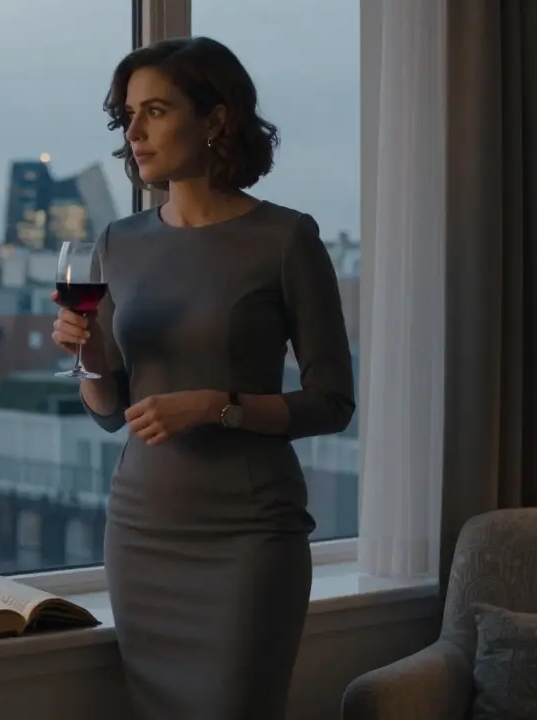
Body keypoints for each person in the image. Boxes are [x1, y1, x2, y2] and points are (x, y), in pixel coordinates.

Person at [50, 36, 355, 719]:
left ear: (215, 120)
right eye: (127, 115)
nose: (134, 132)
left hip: (248, 538)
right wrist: (90, 353)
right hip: (141, 531)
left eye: (155, 110)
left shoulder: (286, 240)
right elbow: (109, 409)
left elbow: (332, 403)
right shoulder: (119, 242)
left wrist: (218, 406)